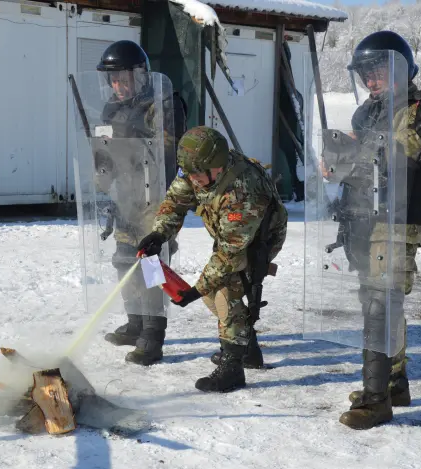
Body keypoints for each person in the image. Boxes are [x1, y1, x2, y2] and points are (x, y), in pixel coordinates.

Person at [320, 31, 421, 429]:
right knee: (376, 305)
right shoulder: (365, 114)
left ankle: (375, 401)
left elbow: (402, 152)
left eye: (378, 72)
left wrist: (354, 150)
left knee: (380, 306)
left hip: (396, 223)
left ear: (400, 70)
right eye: (365, 75)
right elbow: (359, 170)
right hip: (363, 221)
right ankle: (394, 383)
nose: (371, 81)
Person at [137, 126, 288, 392]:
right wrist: (159, 233)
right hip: (229, 237)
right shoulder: (196, 167)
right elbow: (176, 200)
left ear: (216, 167)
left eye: (197, 175)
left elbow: (230, 254)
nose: (192, 180)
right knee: (212, 294)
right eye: (190, 174)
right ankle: (245, 347)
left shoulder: (244, 191)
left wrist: (195, 290)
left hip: (256, 243)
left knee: (222, 289)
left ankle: (232, 367)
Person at [96, 40, 187, 366]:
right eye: (113, 79)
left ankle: (153, 334)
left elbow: (168, 153)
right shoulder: (111, 109)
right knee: (123, 261)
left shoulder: (162, 104)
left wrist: (130, 136)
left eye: (124, 78)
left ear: (141, 74)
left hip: (156, 200)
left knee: (151, 265)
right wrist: (100, 167)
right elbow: (105, 152)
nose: (118, 85)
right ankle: (135, 322)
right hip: (125, 198)